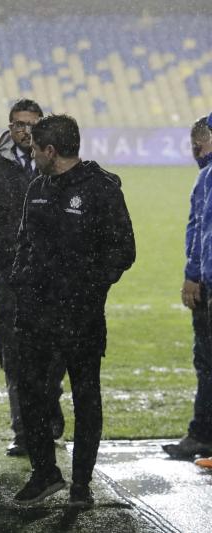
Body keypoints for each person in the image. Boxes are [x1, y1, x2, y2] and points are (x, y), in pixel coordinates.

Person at [10, 114, 135, 507]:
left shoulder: (101, 189)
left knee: (86, 396)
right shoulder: (38, 188)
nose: (31, 155)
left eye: (34, 149)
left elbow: (123, 251)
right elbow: (25, 244)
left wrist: (88, 287)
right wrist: (21, 281)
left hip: (81, 315)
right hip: (36, 314)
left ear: (51, 150)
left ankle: (81, 485)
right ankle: (45, 473)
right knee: (31, 393)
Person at [0, 99, 65, 457]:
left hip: (51, 280)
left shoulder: (59, 168)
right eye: (18, 124)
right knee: (13, 358)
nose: (24, 131)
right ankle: (24, 431)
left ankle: (50, 407)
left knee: (53, 354)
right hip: (9, 278)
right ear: (8, 127)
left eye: (31, 124)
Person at [166, 114, 212, 460]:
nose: (196, 152)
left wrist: (193, 274)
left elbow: (200, 232)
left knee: (207, 361)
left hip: (209, 282)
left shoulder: (208, 177)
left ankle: (202, 434)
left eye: (199, 145)